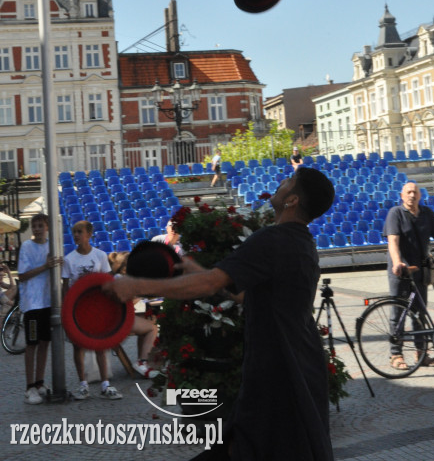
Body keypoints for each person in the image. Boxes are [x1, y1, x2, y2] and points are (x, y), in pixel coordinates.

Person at [107, 167, 336, 461]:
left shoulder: (273, 239)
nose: (280, 183)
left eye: (288, 182)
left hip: (279, 374)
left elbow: (211, 283)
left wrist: (136, 285)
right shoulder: (303, 243)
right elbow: (245, 294)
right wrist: (203, 272)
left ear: (292, 200)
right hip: (294, 368)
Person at [383, 181, 434, 371]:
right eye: (408, 192)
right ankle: (396, 353)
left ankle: (421, 352)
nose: (412, 195)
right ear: (402, 195)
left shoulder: (426, 214)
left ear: (420, 196)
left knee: (419, 312)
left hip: (420, 270)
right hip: (401, 270)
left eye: (415, 192)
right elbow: (393, 242)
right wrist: (397, 262)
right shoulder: (395, 213)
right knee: (398, 311)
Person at [62, 220, 122, 400]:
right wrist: (67, 309)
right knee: (78, 346)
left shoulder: (100, 256)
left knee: (99, 344)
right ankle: (83, 385)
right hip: (77, 308)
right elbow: (66, 287)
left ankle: (105, 384)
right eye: (74, 232)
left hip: (95, 307)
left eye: (79, 231)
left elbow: (106, 281)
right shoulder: (69, 259)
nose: (76, 235)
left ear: (89, 234)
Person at [17, 214, 63, 405]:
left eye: (40, 226)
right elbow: (22, 275)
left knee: (44, 343)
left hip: (47, 302)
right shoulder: (27, 246)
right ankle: (29, 387)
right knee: (32, 344)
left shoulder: (52, 245)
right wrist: (45, 266)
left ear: (47, 227)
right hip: (32, 304)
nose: (37, 229)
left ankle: (39, 382)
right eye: (34, 226)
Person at [108, 251, 159, 377]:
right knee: (152, 328)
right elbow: (124, 300)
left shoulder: (116, 278)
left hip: (116, 318)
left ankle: (142, 361)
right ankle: (142, 362)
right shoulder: (122, 280)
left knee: (145, 321)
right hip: (118, 320)